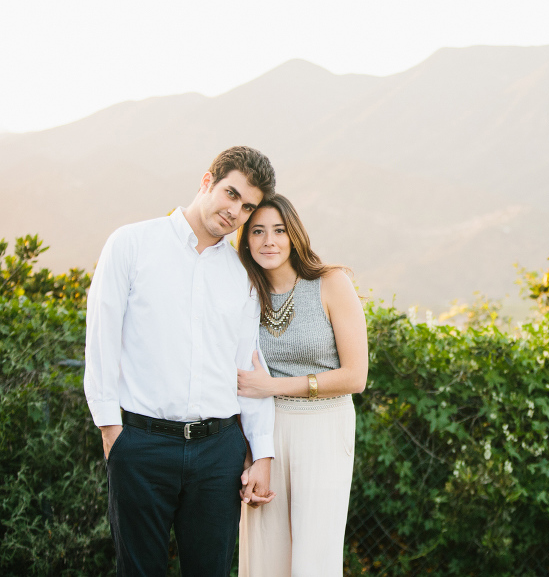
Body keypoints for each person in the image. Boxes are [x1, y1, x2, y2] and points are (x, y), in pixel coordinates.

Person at [84, 146, 279, 576]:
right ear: (207, 180)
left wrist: (260, 451)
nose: (234, 212)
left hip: (218, 452)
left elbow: (249, 370)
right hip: (141, 445)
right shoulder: (131, 244)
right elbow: (100, 341)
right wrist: (111, 432)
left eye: (246, 207)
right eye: (231, 194)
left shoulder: (243, 276)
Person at [234, 194, 368, 577]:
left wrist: (273, 386)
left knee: (314, 557)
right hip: (266, 435)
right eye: (257, 231)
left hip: (325, 428)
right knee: (265, 556)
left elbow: (355, 377)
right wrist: (249, 454)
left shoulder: (330, 283)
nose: (269, 241)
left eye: (278, 230)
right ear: (245, 240)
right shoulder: (244, 292)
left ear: (294, 235)